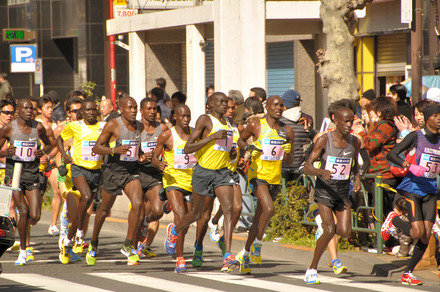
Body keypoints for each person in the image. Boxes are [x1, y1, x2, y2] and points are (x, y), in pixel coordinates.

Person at [164, 92, 239, 272]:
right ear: (210, 104)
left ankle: (227, 256)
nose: (224, 105)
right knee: (196, 215)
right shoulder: (205, 120)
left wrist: (231, 153)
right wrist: (212, 137)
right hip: (203, 172)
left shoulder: (228, 123)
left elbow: (222, 147)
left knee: (229, 209)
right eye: (220, 102)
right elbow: (189, 147)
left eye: (226, 102)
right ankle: (174, 231)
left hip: (222, 172)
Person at [302, 104, 361, 284]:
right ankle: (312, 269)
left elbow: (355, 165)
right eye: (346, 121)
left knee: (344, 232)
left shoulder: (355, 141)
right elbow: (306, 165)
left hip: (343, 192)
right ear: (335, 120)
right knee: (329, 231)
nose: (349, 124)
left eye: (352, 121)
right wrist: (320, 172)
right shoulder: (323, 140)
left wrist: (357, 177)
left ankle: (324, 232)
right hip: (325, 191)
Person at [235, 96, 294, 275]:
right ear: (266, 107)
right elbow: (240, 140)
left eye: (281, 105)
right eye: (275, 105)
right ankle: (258, 244)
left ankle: (244, 254)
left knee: (258, 217)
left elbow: (289, 161)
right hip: (257, 175)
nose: (279, 108)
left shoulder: (287, 130)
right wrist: (248, 148)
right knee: (269, 210)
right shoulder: (256, 125)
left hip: (274, 178)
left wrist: (289, 152)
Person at [87, 96, 144, 266]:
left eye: (135, 107)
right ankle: (94, 243)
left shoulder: (139, 126)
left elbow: (136, 148)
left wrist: (140, 156)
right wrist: (114, 149)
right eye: (130, 108)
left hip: (131, 172)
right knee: (104, 210)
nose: (133, 111)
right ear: (121, 109)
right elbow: (97, 148)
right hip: (113, 172)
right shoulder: (113, 124)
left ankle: (128, 244)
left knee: (138, 203)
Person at [387, 104, 440, 285]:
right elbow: (392, 154)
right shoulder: (415, 136)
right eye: (435, 115)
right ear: (427, 119)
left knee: (426, 235)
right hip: (412, 189)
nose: (439, 118)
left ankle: (408, 272)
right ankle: (393, 220)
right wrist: (409, 166)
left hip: (430, 191)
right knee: (417, 232)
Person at [0, 98, 55, 265]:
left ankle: (20, 225)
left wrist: (42, 152)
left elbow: (50, 145)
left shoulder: (38, 127)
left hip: (32, 173)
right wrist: (5, 152)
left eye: (32, 108)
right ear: (18, 111)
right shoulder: (9, 128)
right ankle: (23, 251)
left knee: (35, 215)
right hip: (14, 172)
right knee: (23, 211)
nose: (30, 111)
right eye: (26, 108)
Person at [57, 98, 105, 264]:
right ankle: (78, 234)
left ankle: (67, 242)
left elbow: (110, 144)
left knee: (83, 213)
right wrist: (64, 155)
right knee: (84, 200)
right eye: (88, 110)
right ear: (82, 113)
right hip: (78, 170)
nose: (92, 112)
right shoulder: (75, 126)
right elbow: (59, 139)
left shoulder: (103, 127)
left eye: (94, 110)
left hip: (95, 172)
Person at [152, 104, 195, 273]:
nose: (186, 119)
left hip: (191, 182)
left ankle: (173, 230)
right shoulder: (167, 136)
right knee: (181, 215)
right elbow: (154, 157)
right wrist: (158, 163)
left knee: (186, 221)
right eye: (183, 116)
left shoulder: (195, 134)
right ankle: (180, 260)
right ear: (175, 117)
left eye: (189, 116)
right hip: (172, 180)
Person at [352, 96, 398, 216]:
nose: (369, 114)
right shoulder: (380, 126)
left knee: (384, 211)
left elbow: (370, 145)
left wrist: (361, 132)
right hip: (377, 173)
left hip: (384, 174)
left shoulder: (385, 126)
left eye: (371, 111)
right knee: (378, 209)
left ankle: (386, 233)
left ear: (378, 112)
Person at [136, 98, 168, 255]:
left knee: (157, 211)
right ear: (141, 111)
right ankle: (133, 248)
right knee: (138, 211)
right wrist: (139, 158)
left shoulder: (162, 128)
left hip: (155, 174)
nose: (152, 111)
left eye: (155, 109)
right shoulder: (135, 128)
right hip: (136, 173)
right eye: (149, 109)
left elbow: (171, 148)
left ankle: (144, 223)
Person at [279, 89, 315, 179]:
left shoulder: (278, 120)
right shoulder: (307, 119)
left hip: (282, 165)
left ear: (285, 104)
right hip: (301, 166)